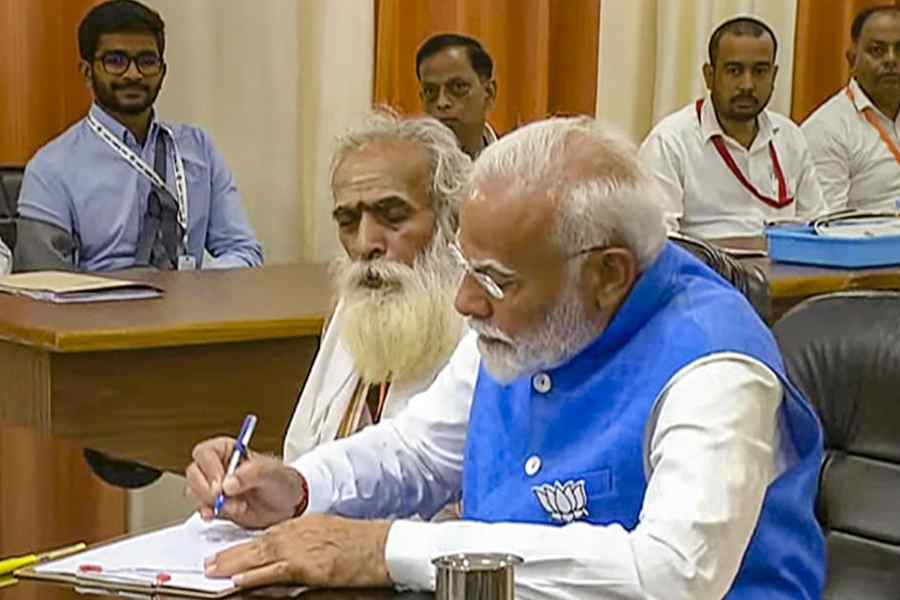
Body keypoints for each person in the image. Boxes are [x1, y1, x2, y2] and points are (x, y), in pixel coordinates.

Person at [186, 117, 825, 599]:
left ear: (608, 274)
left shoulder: (714, 366)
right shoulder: (536, 318)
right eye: (467, 269)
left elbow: (670, 573)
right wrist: (299, 487)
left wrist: (390, 548)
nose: (465, 301)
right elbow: (422, 449)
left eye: (494, 280)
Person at [14, 0, 263, 272]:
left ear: (162, 71)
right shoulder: (51, 168)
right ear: (87, 72)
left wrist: (195, 287)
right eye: (116, 61)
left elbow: (243, 251)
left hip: (192, 309)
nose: (133, 74)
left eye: (146, 61)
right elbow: (42, 285)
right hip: (98, 312)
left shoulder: (198, 149)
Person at [282, 110, 471, 462]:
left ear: (451, 218)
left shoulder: (483, 329)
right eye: (348, 221)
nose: (366, 243)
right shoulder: (356, 308)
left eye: (393, 216)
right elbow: (304, 451)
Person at [640, 16, 824, 239]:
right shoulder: (670, 142)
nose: (747, 85)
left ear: (773, 76)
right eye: (734, 71)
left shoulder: (789, 136)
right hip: (706, 271)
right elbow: (659, 240)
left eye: (760, 71)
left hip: (788, 269)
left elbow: (817, 225)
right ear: (709, 76)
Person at [803, 6, 900, 211]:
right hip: (871, 240)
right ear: (851, 59)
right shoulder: (826, 129)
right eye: (877, 50)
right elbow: (828, 225)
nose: (891, 60)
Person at [416, 34, 498, 159]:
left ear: (488, 93)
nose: (441, 102)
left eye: (458, 87)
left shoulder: (518, 162)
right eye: (430, 92)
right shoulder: (406, 169)